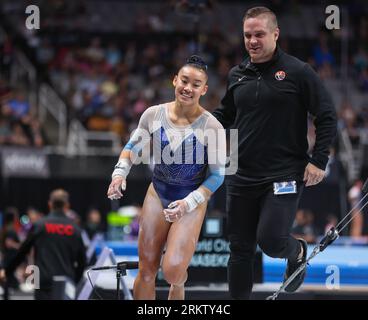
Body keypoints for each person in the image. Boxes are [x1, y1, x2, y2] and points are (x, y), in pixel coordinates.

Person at [212, 6, 337, 299]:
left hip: (284, 174)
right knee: (239, 250)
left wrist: (319, 160)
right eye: (247, 35)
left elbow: (327, 115)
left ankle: (298, 250)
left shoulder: (299, 71)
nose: (252, 41)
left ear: (275, 34)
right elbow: (223, 115)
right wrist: (191, 129)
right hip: (241, 175)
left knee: (270, 241)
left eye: (259, 34)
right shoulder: (237, 74)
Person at [107, 55, 226, 300]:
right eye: (184, 80)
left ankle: (179, 283)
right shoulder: (153, 114)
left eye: (195, 84)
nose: (188, 88)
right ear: (175, 81)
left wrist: (189, 203)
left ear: (204, 89)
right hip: (158, 192)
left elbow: (217, 176)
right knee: (147, 269)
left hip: (191, 199)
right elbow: (132, 147)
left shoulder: (213, 127)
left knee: (172, 271)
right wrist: (119, 174)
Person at [0, 189, 86, 300]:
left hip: (43, 284)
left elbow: (22, 252)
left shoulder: (39, 225)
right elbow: (82, 261)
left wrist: (6, 271)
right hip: (66, 285)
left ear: (50, 204)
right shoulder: (75, 229)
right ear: (67, 205)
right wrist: (74, 280)